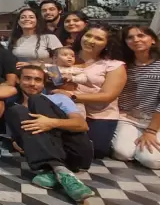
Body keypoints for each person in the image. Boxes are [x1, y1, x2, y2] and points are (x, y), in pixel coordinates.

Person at [6, 66, 96, 203]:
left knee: (36, 100)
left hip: (75, 153)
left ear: (43, 83)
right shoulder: (15, 108)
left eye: (37, 79)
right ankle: (61, 173)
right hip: (44, 158)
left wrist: (51, 123)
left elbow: (82, 125)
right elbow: (15, 140)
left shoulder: (58, 98)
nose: (32, 83)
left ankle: (56, 169)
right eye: (27, 78)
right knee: (16, 110)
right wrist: (18, 142)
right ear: (18, 80)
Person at [51, 24, 126, 159]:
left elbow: (108, 96)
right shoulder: (68, 55)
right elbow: (49, 66)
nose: (91, 41)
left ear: (107, 44)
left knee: (95, 150)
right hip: (67, 110)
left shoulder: (113, 65)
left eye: (98, 39)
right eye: (88, 36)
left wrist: (73, 96)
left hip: (100, 113)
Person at [113, 26, 160, 169]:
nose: (136, 40)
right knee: (122, 153)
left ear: (152, 40)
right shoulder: (123, 65)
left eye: (141, 36)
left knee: (151, 161)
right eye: (130, 37)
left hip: (156, 121)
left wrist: (151, 131)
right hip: (129, 118)